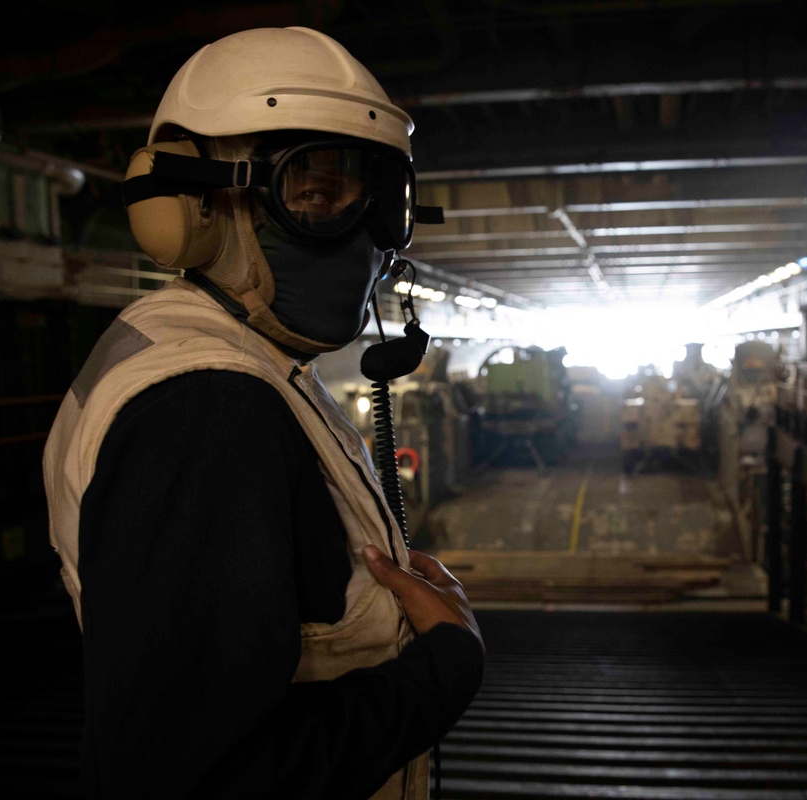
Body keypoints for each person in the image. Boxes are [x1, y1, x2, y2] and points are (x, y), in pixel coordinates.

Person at [42, 26, 485, 800]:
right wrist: (446, 668)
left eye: (381, 202)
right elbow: (200, 780)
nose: (366, 242)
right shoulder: (206, 407)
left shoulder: (227, 359)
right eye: (313, 194)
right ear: (191, 209)